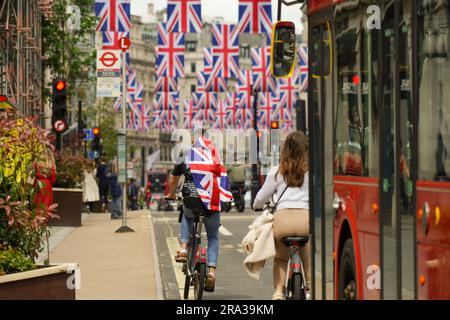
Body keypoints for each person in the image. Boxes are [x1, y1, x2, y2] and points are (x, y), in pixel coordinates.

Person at [167, 130, 230, 292]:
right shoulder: (216, 156)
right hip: (211, 202)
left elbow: (174, 179)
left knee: (187, 216)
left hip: (191, 199)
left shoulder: (186, 154)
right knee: (213, 237)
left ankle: (183, 248)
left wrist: (171, 194)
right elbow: (223, 179)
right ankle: (211, 271)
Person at [253, 131, 310, 300]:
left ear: (286, 150)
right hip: (305, 220)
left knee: (281, 257)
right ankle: (310, 290)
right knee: (306, 254)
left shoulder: (277, 172)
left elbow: (260, 198)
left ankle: (278, 291)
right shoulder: (311, 172)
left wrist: (256, 206)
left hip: (283, 221)